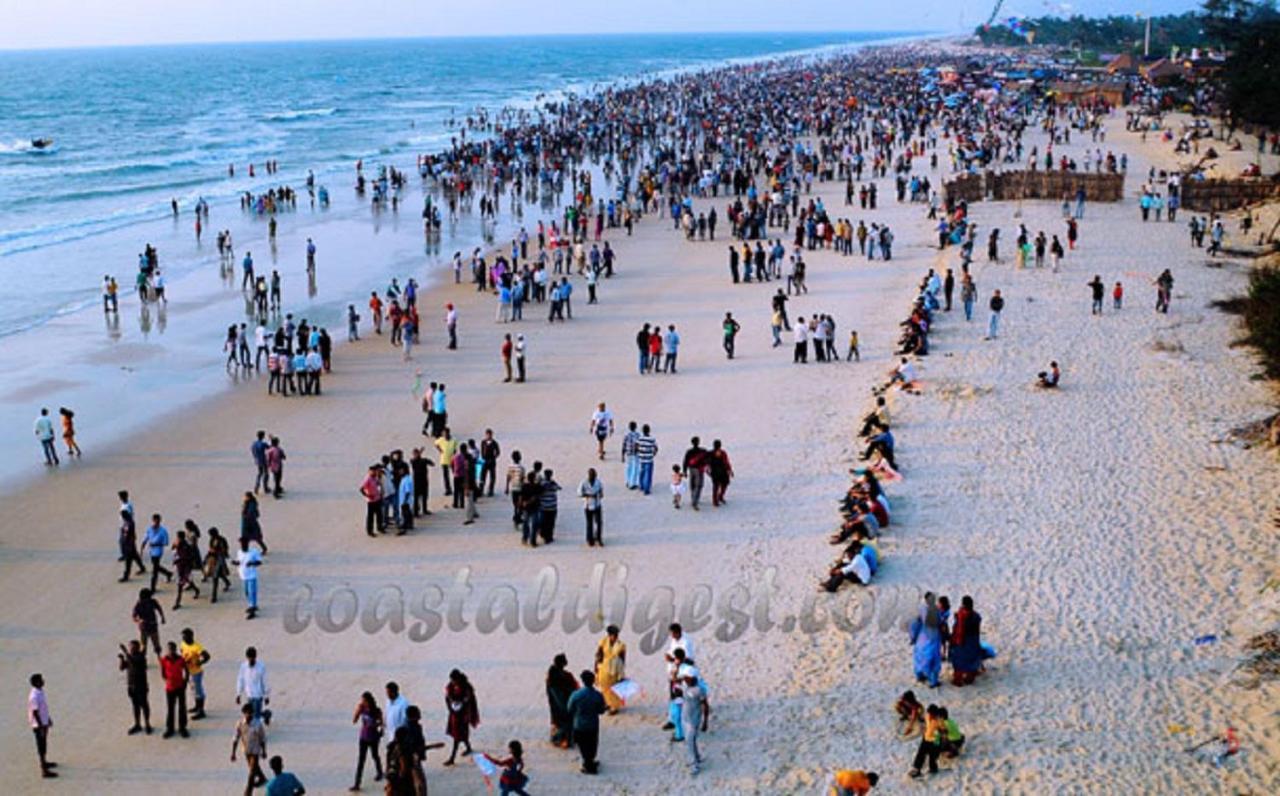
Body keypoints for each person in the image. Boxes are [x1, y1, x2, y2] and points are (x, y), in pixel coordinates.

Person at [566, 670, 606, 774]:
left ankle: (587, 762)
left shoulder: (576, 695)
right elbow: (601, 710)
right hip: (593, 724)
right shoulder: (598, 695)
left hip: (579, 724)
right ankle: (590, 761)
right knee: (592, 744)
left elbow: (570, 709)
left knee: (583, 744)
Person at [443, 669, 479, 765]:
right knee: (461, 734)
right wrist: (450, 708)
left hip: (463, 715)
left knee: (457, 736)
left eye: (454, 680)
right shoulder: (450, 686)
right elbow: (447, 698)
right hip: (454, 714)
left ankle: (452, 758)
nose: (453, 682)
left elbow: (469, 701)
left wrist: (462, 705)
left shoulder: (466, 687)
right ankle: (468, 748)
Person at [231, 702, 269, 795]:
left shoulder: (258, 724)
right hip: (246, 750)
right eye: (246, 713)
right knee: (254, 768)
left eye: (250, 713)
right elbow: (236, 737)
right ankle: (262, 778)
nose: (248, 715)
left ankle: (248, 791)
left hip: (256, 750)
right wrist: (233, 753)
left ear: (252, 713)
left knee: (252, 772)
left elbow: (262, 738)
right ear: (243, 713)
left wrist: (264, 751)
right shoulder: (240, 724)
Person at [350, 691, 384, 790]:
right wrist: (358, 710)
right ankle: (357, 783)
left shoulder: (377, 711)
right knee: (361, 760)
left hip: (373, 738)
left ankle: (380, 772)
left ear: (369, 701)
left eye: (364, 701)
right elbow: (354, 720)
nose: (362, 702)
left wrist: (376, 725)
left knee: (375, 755)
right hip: (363, 737)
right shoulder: (362, 709)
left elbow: (381, 723)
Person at [118, 640, 153, 735]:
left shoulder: (141, 657)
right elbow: (122, 668)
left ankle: (147, 724)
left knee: (144, 705)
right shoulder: (130, 657)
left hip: (141, 686)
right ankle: (137, 724)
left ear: (138, 648)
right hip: (131, 686)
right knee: (135, 706)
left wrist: (125, 652)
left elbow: (134, 663)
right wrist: (121, 659)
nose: (131, 649)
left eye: (133, 647)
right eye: (130, 647)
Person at [949, 595, 985, 686]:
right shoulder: (976, 616)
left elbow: (959, 632)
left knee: (959, 660)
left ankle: (958, 679)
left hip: (963, 644)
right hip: (973, 643)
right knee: (972, 660)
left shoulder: (961, 617)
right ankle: (970, 677)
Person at [910, 593, 943, 688]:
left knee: (920, 657)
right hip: (934, 637)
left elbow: (915, 624)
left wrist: (913, 637)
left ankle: (919, 675)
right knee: (933, 659)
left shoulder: (921, 609)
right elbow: (940, 623)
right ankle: (933, 681)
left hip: (922, 637)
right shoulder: (937, 610)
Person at [27, 673, 57, 778]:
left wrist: (48, 719)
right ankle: (44, 770)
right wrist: (40, 727)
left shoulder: (40, 691)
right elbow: (35, 712)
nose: (43, 681)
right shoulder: (34, 696)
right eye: (41, 680)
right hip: (38, 725)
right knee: (41, 745)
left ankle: (45, 762)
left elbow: (43, 708)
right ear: (36, 683)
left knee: (44, 743)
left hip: (43, 722)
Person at [158, 641, 190, 738]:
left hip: (180, 687)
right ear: (167, 650)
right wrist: (167, 680)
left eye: (172, 649)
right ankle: (170, 728)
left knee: (182, 708)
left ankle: (182, 728)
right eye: (169, 649)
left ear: (175, 649)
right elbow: (163, 672)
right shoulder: (164, 660)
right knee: (170, 709)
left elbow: (186, 670)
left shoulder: (180, 659)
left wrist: (185, 682)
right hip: (170, 688)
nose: (171, 651)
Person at [545, 653, 578, 748]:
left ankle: (564, 739)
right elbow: (558, 695)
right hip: (561, 704)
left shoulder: (556, 674)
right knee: (564, 722)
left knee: (562, 722)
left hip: (560, 703)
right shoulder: (555, 678)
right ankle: (561, 739)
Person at [180, 627, 211, 720]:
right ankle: (197, 706)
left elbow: (207, 656)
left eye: (185, 637)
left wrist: (200, 662)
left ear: (191, 636)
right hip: (188, 671)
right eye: (183, 637)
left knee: (199, 692)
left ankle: (201, 711)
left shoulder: (197, 647)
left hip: (196, 672)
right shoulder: (183, 644)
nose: (183, 639)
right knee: (194, 691)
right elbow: (182, 652)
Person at [594, 625, 626, 714]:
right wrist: (596, 668)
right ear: (609, 635)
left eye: (616, 635)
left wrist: (622, 672)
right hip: (604, 667)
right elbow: (598, 655)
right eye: (613, 635)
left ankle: (614, 707)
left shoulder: (621, 645)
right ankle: (608, 703)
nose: (615, 637)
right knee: (604, 686)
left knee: (614, 687)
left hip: (615, 668)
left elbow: (623, 659)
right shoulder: (603, 642)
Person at [679, 672, 706, 775]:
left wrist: (705, 722)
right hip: (685, 717)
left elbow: (705, 705)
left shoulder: (698, 690)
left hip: (694, 720)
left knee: (690, 741)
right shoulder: (686, 686)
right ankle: (697, 757)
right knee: (691, 740)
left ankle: (695, 764)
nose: (685, 679)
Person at [236, 646, 271, 722]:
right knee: (251, 713)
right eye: (249, 658)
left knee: (256, 717)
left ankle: (256, 730)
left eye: (253, 658)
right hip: (249, 695)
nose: (251, 660)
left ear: (255, 657)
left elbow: (264, 681)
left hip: (258, 695)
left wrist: (266, 696)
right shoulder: (243, 667)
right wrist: (239, 694)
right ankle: (266, 715)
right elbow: (240, 680)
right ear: (247, 657)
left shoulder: (261, 667)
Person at [232, 536, 263, 619]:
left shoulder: (253, 552)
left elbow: (259, 562)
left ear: (247, 544)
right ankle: (252, 605)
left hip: (252, 575)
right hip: (243, 575)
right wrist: (235, 563)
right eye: (241, 544)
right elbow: (239, 561)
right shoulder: (239, 552)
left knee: (251, 592)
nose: (243, 546)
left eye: (244, 544)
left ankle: (252, 609)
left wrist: (252, 563)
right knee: (247, 592)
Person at [909, 704, 944, 778]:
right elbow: (925, 722)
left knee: (932, 756)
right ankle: (917, 769)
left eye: (932, 714)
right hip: (926, 738)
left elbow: (942, 733)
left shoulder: (939, 722)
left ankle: (933, 768)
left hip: (934, 741)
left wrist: (937, 744)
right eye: (929, 713)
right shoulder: (927, 716)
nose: (930, 715)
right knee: (920, 754)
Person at [132, 587, 166, 655]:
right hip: (144, 628)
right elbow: (134, 616)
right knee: (143, 646)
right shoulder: (138, 605)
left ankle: (159, 656)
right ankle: (143, 660)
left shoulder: (152, 601)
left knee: (156, 645)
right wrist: (139, 620)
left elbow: (159, 608)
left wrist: (162, 617)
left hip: (153, 625)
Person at [578, 468, 604, 546]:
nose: (592, 476)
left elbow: (602, 493)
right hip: (587, 505)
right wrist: (589, 495)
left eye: (593, 475)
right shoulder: (584, 483)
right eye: (591, 475)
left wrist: (599, 495)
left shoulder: (598, 482)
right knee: (589, 523)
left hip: (597, 504)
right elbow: (579, 493)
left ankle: (599, 538)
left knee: (599, 522)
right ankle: (589, 539)